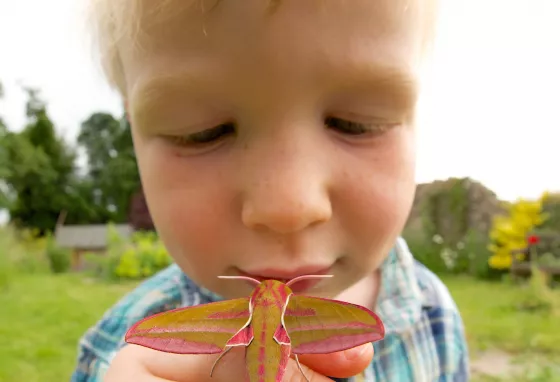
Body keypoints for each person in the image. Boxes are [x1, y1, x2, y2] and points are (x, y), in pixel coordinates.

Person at [71, 0, 469, 380]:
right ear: (132, 127)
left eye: (357, 123)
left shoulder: (435, 314)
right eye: (200, 132)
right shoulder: (113, 358)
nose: (288, 206)